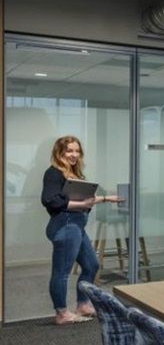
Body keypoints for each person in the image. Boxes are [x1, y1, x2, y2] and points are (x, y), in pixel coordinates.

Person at [41, 136, 124, 325]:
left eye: (77, 151)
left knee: (91, 265)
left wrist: (107, 198)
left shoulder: (73, 173)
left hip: (76, 226)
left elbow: (85, 201)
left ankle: (83, 304)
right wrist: (81, 203)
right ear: (59, 152)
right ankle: (61, 313)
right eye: (69, 151)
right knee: (62, 272)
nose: (74, 155)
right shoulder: (53, 173)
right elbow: (50, 200)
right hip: (65, 226)